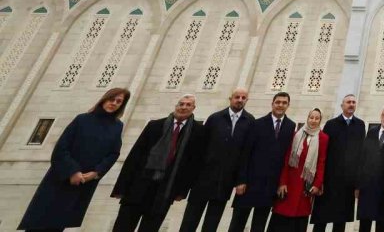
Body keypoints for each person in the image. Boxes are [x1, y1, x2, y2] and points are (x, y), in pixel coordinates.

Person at [18, 88, 129, 232]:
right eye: (111, 99)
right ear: (104, 99)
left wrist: (96, 172)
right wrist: (73, 171)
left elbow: (113, 153)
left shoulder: (117, 126)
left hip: (84, 182)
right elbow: (61, 148)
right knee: (39, 223)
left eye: (118, 101)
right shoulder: (82, 119)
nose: (114, 103)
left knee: (59, 224)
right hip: (61, 178)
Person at [111, 93, 204, 232]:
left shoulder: (198, 131)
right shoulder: (155, 125)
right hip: (139, 185)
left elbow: (193, 165)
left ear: (193, 108)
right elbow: (135, 156)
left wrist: (182, 191)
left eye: (188, 105)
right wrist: (121, 187)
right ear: (176, 106)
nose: (183, 107)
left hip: (165, 190)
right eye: (181, 104)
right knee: (123, 226)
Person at [180, 87, 255, 232]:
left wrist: (241, 180)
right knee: (190, 219)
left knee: (212, 223)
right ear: (231, 98)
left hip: (225, 181)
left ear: (247, 100)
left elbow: (246, 153)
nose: (240, 100)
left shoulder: (250, 121)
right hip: (203, 178)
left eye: (243, 98)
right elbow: (201, 148)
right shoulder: (215, 118)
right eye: (237, 97)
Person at [230, 91, 296, 232]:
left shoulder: (291, 126)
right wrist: (241, 180)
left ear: (288, 105)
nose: (280, 105)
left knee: (259, 225)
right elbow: (246, 153)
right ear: (272, 104)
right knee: (237, 223)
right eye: (278, 102)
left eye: (284, 103)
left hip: (270, 185)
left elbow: (286, 157)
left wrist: (281, 182)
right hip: (250, 183)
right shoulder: (257, 123)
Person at [269, 108, 329, 232]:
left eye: (317, 118)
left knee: (299, 215)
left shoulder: (323, 138)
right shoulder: (296, 134)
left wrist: (317, 184)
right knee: (282, 214)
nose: (313, 120)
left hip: (305, 183)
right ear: (307, 118)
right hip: (290, 181)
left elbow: (321, 162)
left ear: (320, 120)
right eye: (311, 117)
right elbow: (287, 159)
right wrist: (282, 182)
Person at [313, 94, 366, 232]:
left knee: (340, 220)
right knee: (321, 219)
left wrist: (358, 183)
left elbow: (361, 155)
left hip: (347, 182)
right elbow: (323, 152)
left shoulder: (360, 125)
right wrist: (320, 180)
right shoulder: (331, 124)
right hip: (329, 180)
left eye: (353, 102)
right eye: (348, 102)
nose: (351, 104)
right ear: (342, 105)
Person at [358, 105, 384, 232]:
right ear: (380, 116)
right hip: (368, 185)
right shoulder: (371, 132)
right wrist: (359, 184)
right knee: (364, 221)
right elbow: (363, 157)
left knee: (382, 222)